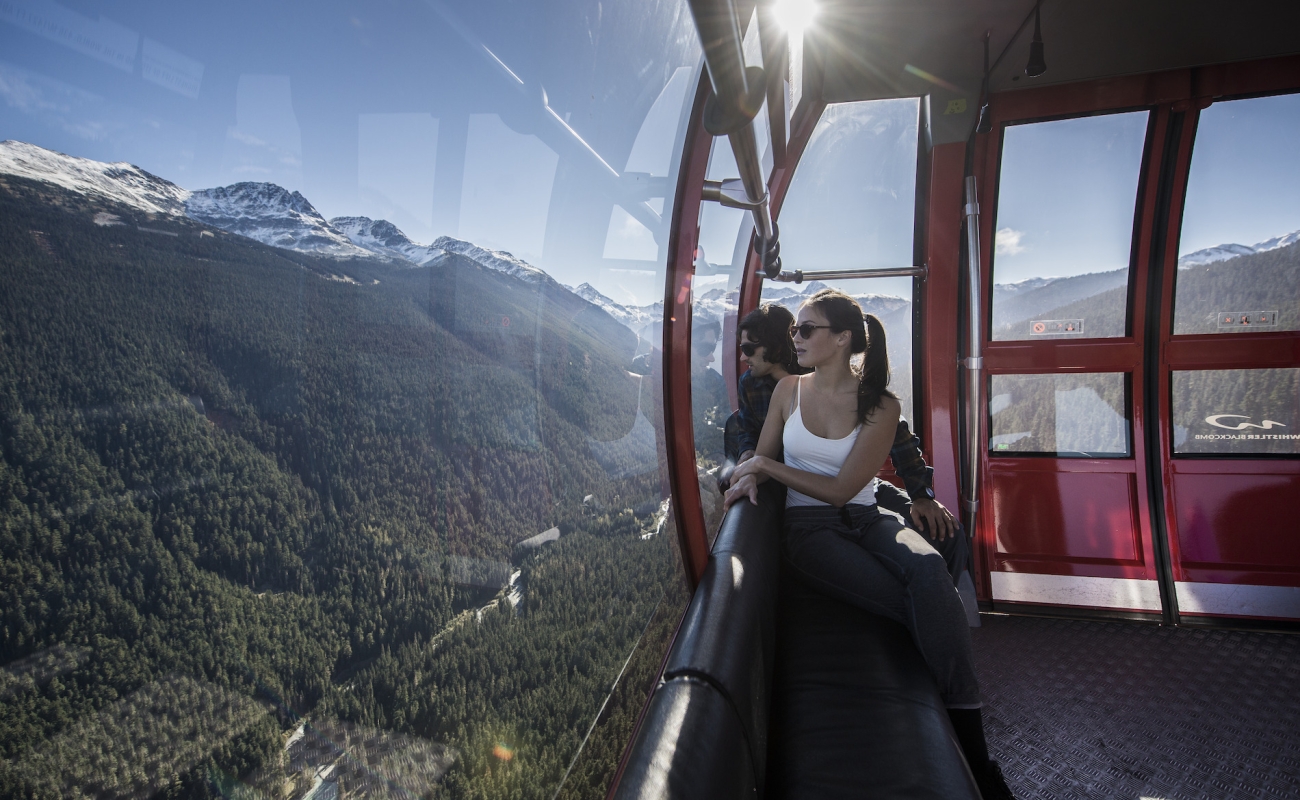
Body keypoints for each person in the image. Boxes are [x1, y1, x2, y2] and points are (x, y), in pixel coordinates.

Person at [723, 288, 1013, 799]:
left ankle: (971, 744)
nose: (796, 338)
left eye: (806, 329)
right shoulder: (788, 391)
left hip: (865, 516)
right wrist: (743, 474)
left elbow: (841, 490)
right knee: (922, 599)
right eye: (795, 330)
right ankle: (976, 761)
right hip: (809, 531)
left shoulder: (880, 405)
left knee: (929, 575)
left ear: (842, 339)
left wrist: (767, 467)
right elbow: (756, 452)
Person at [721, 305, 971, 589]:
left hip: (857, 486)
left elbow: (897, 436)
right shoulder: (754, 385)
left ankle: (945, 596)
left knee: (946, 532)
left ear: (777, 347)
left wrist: (921, 494)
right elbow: (746, 430)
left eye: (750, 348)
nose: (743, 357)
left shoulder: (821, 369)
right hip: (801, 489)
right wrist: (749, 465)